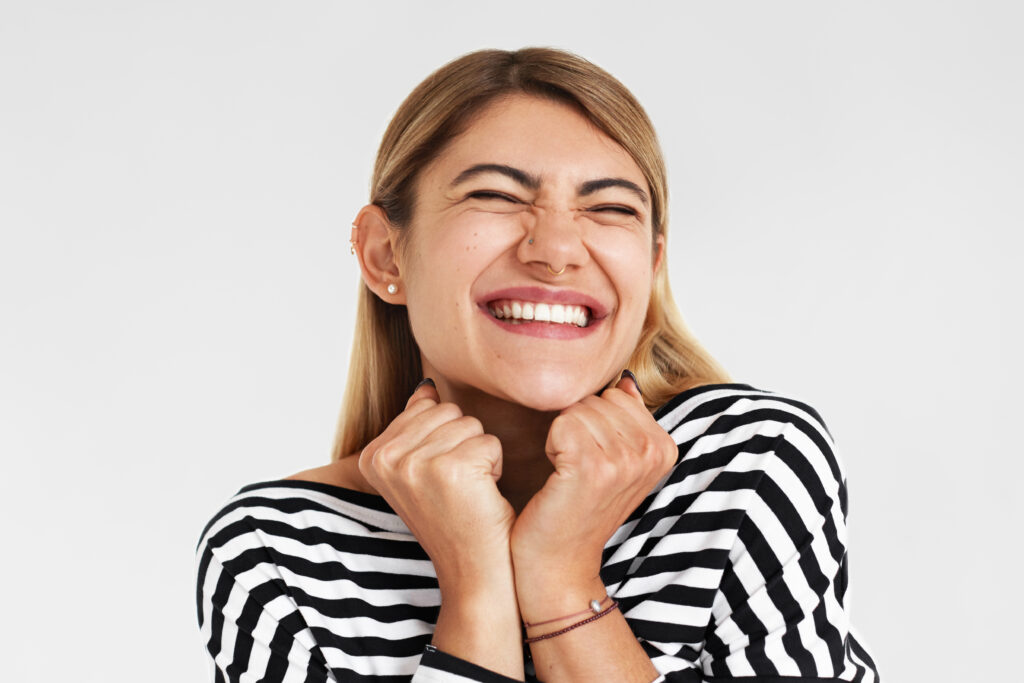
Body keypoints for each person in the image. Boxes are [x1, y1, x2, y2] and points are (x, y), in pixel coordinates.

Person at [195, 48, 880, 682]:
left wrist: (559, 574)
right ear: (384, 256)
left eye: (609, 207)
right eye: (496, 195)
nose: (556, 249)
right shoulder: (274, 552)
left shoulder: (747, 465)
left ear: (650, 266)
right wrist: (476, 586)